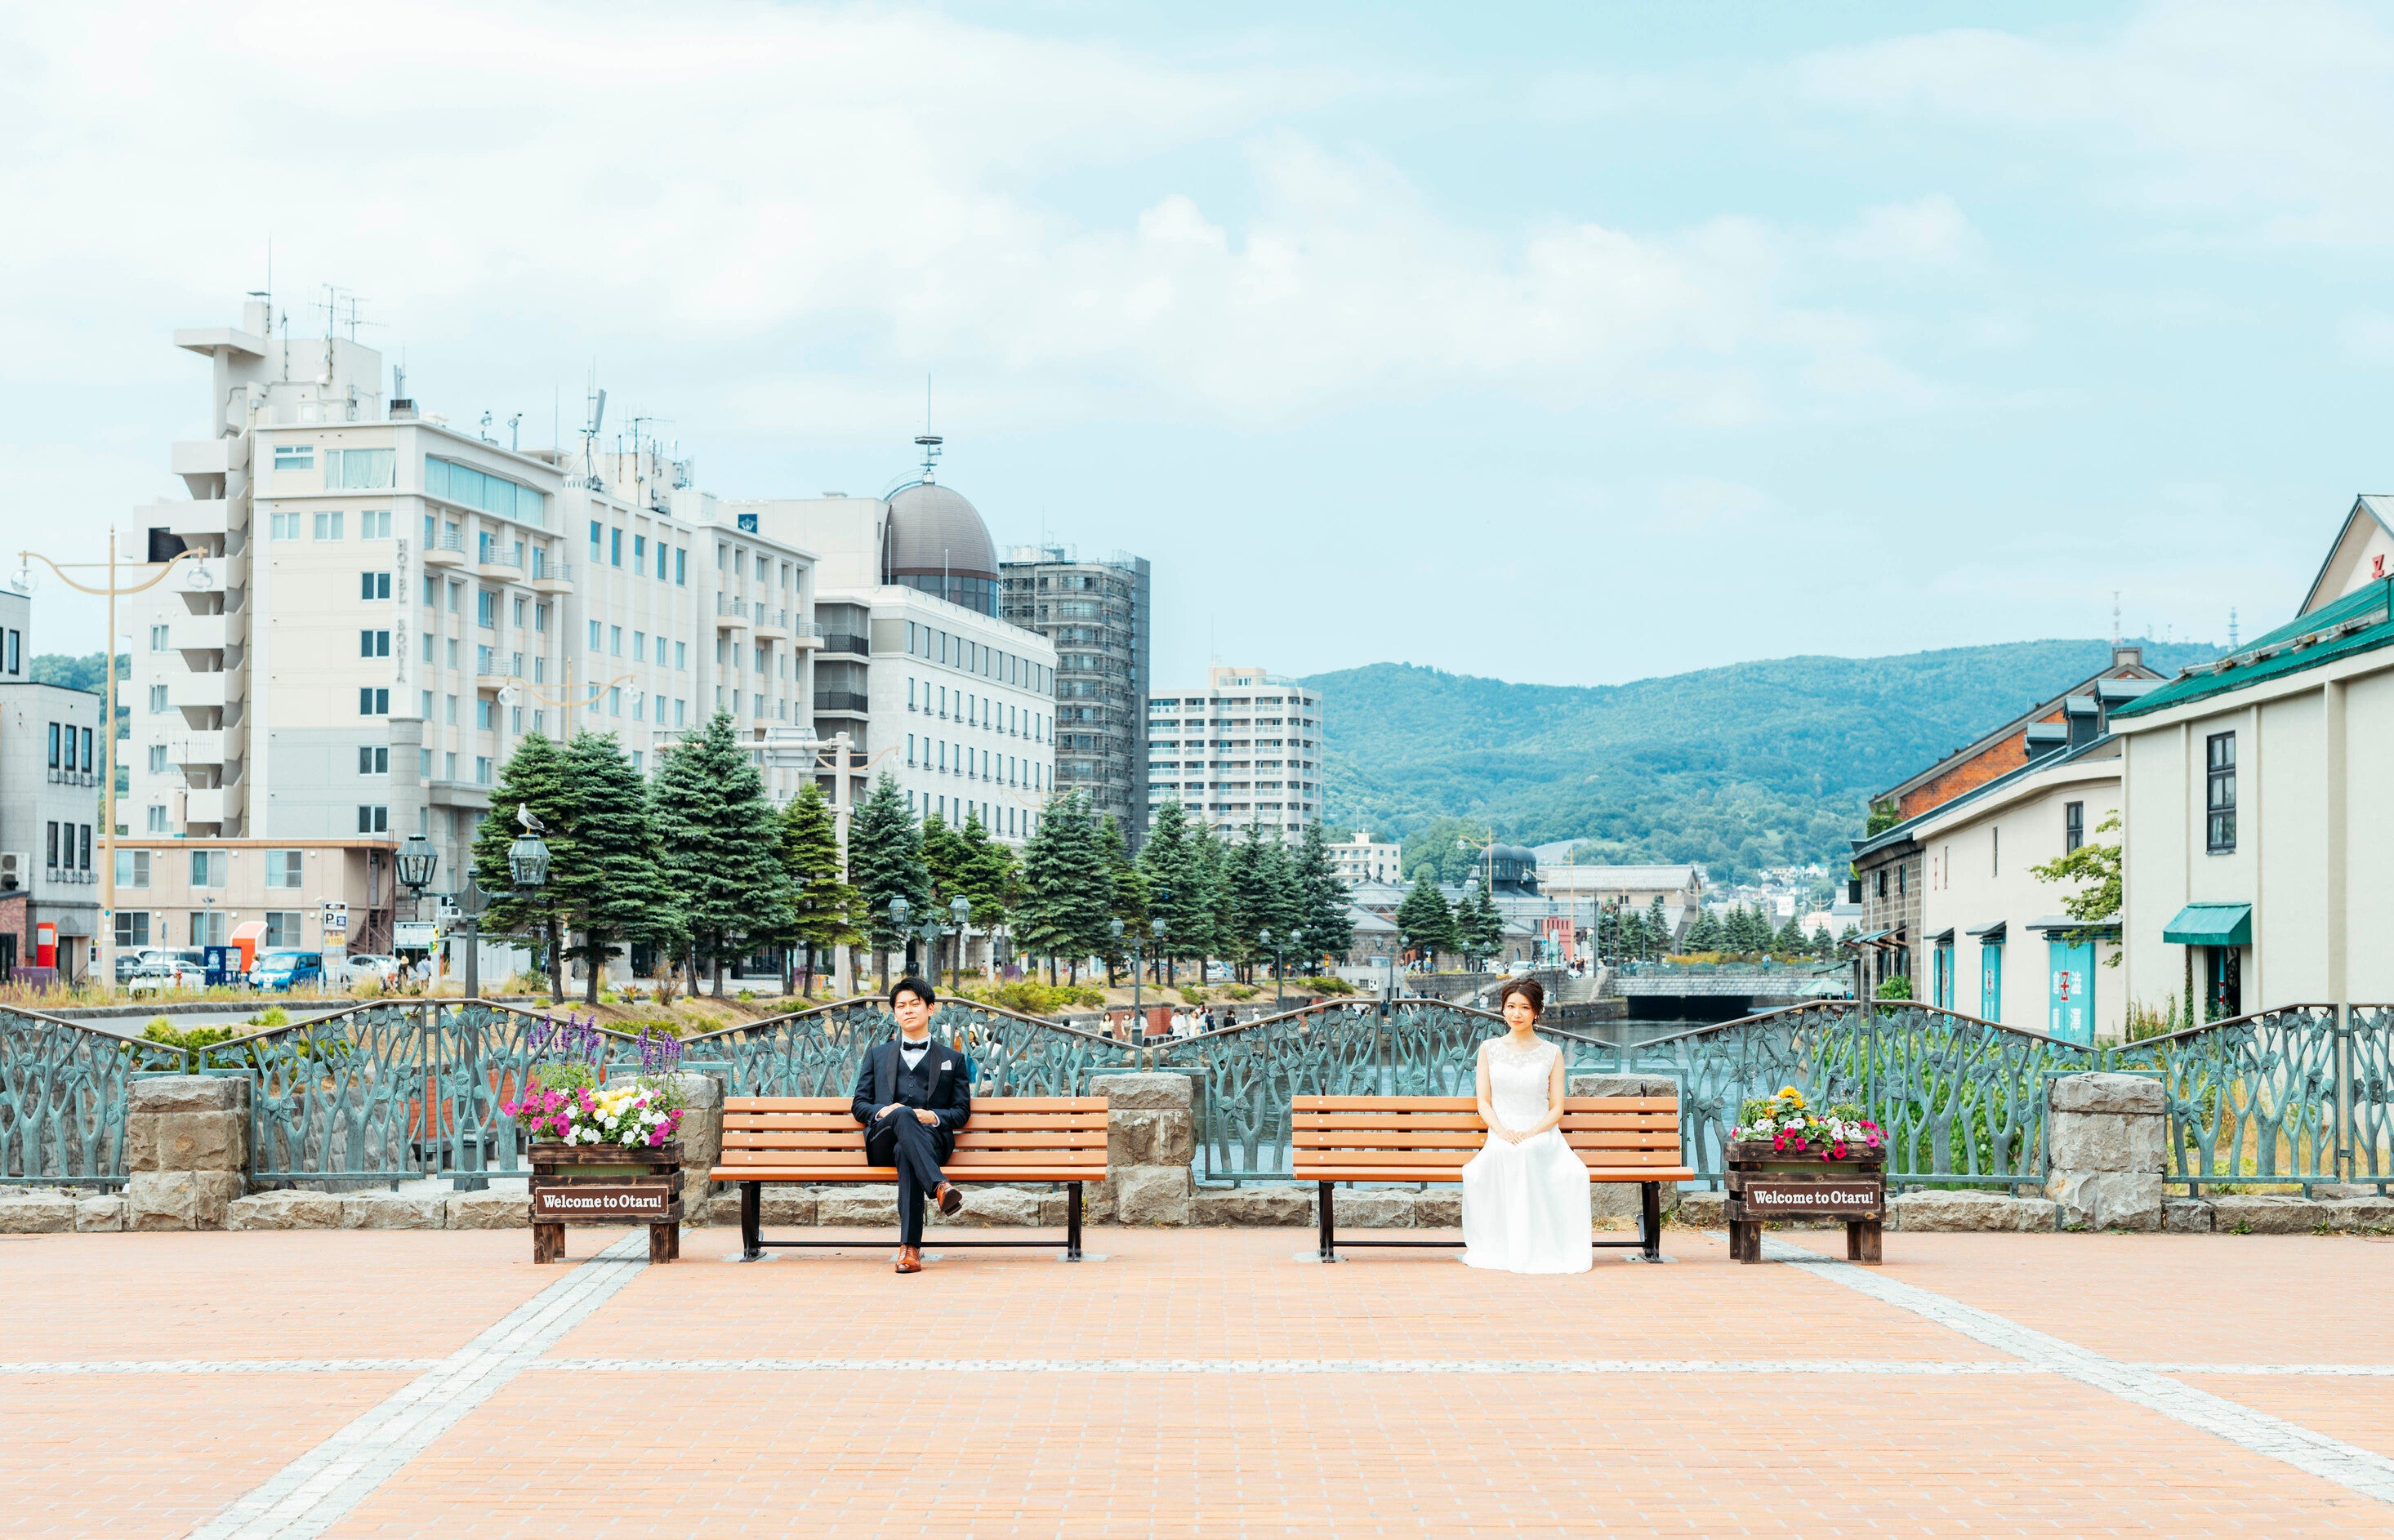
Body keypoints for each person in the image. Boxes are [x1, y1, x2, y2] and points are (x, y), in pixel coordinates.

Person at [1460, 977, 1592, 1274]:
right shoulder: (1489, 1049)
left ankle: (1540, 1247)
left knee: (1537, 1156)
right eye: (1510, 1007)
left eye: (1524, 1007)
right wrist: (1502, 1131)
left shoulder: (1551, 1053)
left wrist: (1532, 1133)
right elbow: (1484, 1101)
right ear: (1503, 1010)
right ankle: (1510, 1248)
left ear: (1536, 1011)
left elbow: (1557, 1107)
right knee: (1508, 1154)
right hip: (1501, 1132)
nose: (1516, 1014)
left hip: (1542, 1132)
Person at [849, 977, 972, 1275]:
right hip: (883, 1140)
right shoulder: (877, 1055)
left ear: (930, 1009)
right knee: (902, 1115)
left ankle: (910, 1249)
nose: (908, 1011)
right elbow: (859, 1105)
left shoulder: (953, 1059)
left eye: (915, 1004)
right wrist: (885, 1111)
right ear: (895, 1014)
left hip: (931, 1142)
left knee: (907, 1152)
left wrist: (935, 1117)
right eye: (901, 1006)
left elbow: (961, 1111)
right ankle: (940, 1186)